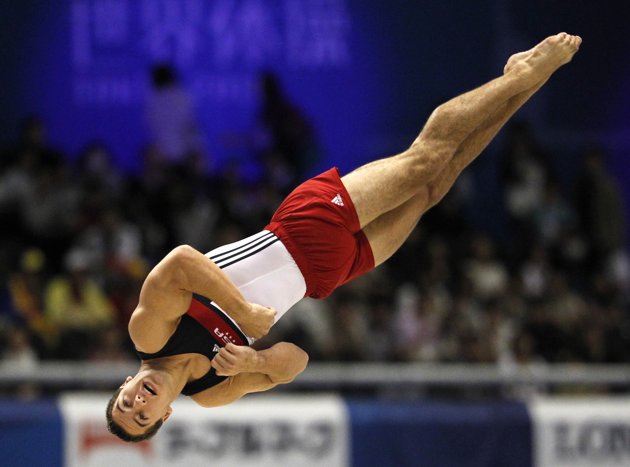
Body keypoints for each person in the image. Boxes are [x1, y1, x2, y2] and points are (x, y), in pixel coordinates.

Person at [107, 33, 581, 442]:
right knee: (436, 187)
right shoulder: (209, 392)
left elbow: (180, 261)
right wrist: (252, 361)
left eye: (125, 402)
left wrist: (245, 311)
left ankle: (517, 76)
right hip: (327, 277)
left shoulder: (148, 333)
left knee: (423, 162)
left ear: (127, 383)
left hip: (299, 231)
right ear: (164, 416)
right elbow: (296, 364)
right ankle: (525, 86)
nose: (136, 404)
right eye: (142, 416)